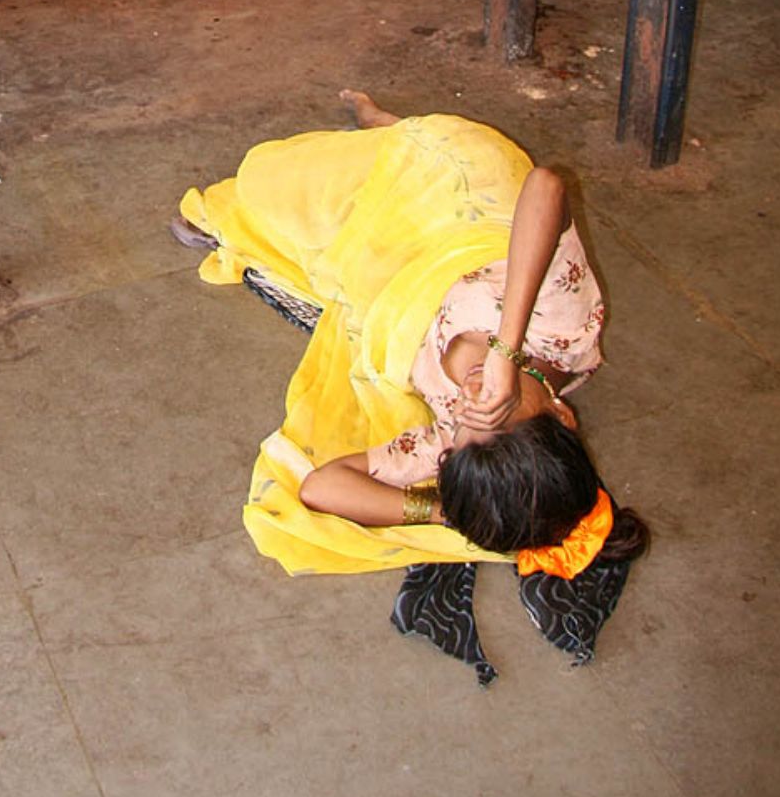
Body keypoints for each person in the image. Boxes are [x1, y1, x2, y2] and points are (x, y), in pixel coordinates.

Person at [175, 91, 647, 576]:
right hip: (465, 190)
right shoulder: (561, 328)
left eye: (467, 425)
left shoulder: (445, 441)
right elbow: (545, 185)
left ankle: (384, 133)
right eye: (502, 412)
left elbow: (321, 488)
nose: (474, 399)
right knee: (277, 173)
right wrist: (506, 352)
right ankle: (392, 128)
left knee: (266, 189)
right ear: (562, 413)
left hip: (390, 247)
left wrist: (447, 512)